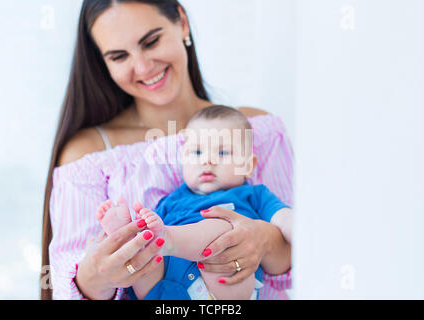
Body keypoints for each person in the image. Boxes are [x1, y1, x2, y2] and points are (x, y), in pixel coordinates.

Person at [41, 0, 294, 300]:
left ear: (182, 23)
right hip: (161, 291)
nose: (144, 67)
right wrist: (100, 271)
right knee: (147, 254)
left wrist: (261, 240)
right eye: (119, 56)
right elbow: (64, 284)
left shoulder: (256, 130)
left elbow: (303, 255)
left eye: (151, 41)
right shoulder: (89, 155)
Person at [96, 105, 292, 300]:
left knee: (225, 228)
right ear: (183, 161)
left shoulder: (253, 195)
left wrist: (296, 225)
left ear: (248, 166)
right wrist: (144, 238)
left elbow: (283, 218)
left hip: (224, 286)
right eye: (197, 153)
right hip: (168, 292)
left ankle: (167, 239)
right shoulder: (171, 200)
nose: (207, 160)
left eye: (223, 153)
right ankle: (127, 237)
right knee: (146, 257)